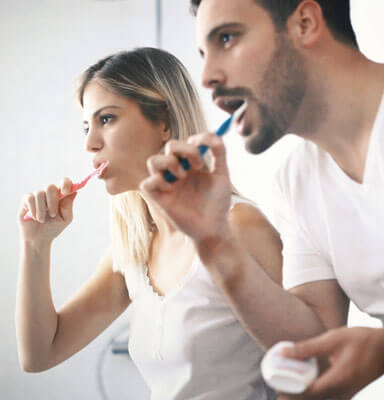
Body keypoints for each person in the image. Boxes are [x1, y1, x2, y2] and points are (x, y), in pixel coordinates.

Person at [140, 1, 384, 398]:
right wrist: (213, 242)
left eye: (227, 38)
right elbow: (316, 344)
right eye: (203, 55)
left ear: (305, 23)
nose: (208, 77)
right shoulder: (297, 179)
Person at [16, 47, 292, 400]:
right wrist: (36, 245)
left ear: (164, 123)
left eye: (107, 119)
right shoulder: (133, 248)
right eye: (87, 125)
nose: (90, 143)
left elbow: (310, 366)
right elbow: (39, 354)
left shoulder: (240, 226)